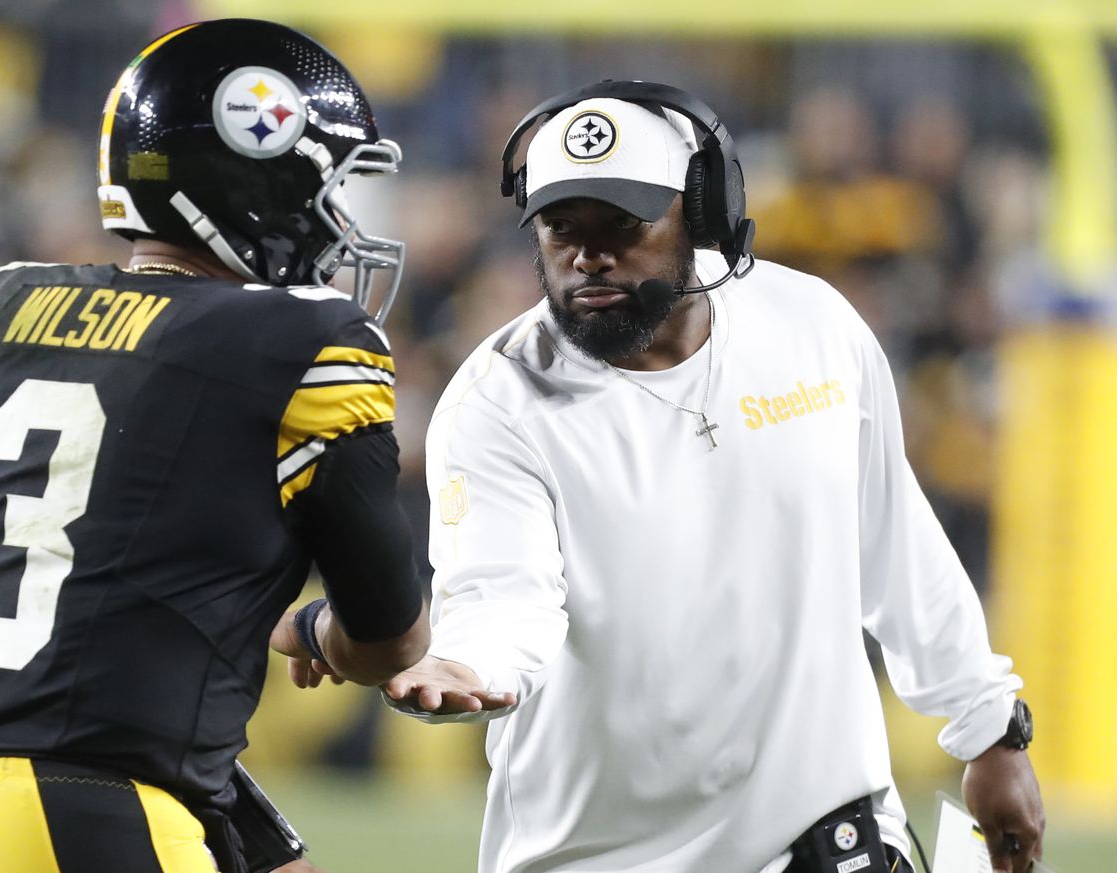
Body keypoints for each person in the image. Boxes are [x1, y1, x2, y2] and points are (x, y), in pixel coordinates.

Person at [374, 81, 1045, 873]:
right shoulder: (497, 403)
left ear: (702, 214)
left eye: (621, 225)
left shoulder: (815, 325)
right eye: (561, 227)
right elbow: (505, 596)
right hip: (597, 854)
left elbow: (897, 547)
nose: (589, 255)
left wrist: (989, 729)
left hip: (825, 832)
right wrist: (471, 663)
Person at [0, 19, 432, 873]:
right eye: (326, 188)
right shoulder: (303, 343)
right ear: (256, 177)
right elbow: (392, 637)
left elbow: (100, 600)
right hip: (80, 812)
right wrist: (316, 632)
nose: (337, 222)